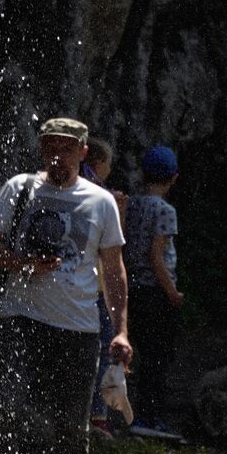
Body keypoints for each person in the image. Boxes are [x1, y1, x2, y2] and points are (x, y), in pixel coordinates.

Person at [0, 118, 132, 454]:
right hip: (21, 319)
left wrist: (119, 331)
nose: (57, 157)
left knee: (71, 429)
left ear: (84, 152)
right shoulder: (20, 188)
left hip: (78, 330)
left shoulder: (100, 202)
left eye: (66, 148)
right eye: (50, 148)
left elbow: (114, 270)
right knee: (5, 410)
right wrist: (21, 263)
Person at [122, 145, 183, 438]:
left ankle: (130, 412)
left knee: (141, 350)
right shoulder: (166, 211)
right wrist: (172, 292)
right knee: (159, 355)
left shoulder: (131, 204)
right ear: (174, 178)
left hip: (131, 286)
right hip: (155, 290)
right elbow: (156, 257)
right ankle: (150, 417)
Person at [82, 138, 129, 436]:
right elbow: (113, 244)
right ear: (100, 163)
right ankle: (96, 414)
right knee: (101, 346)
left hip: (78, 283)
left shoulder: (72, 185)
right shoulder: (101, 194)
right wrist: (119, 208)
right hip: (96, 284)